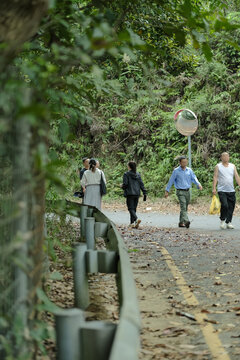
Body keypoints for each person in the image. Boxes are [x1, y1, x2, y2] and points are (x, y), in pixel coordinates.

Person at [165, 156, 202, 228]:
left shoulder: (189, 170)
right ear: (180, 163)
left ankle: (181, 222)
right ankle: (186, 221)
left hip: (187, 191)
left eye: (186, 162)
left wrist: (198, 184)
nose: (185, 163)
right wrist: (167, 190)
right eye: (183, 162)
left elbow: (194, 178)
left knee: (185, 207)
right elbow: (171, 181)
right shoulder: (176, 171)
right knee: (183, 205)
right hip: (180, 191)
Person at [212, 152, 240, 229]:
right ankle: (222, 220)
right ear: (221, 158)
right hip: (222, 190)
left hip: (231, 189)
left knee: (231, 206)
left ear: (229, 157)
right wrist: (214, 188)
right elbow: (215, 177)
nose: (226, 158)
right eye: (224, 156)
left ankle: (229, 222)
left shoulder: (232, 166)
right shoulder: (218, 166)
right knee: (225, 205)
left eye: (227, 156)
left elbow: (236, 176)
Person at [122, 161, 147, 228]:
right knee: (134, 208)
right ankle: (132, 223)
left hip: (130, 193)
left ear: (129, 167)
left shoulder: (126, 174)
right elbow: (141, 184)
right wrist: (144, 192)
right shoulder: (138, 174)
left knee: (130, 208)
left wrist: (122, 186)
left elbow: (125, 184)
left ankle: (136, 219)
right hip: (137, 193)